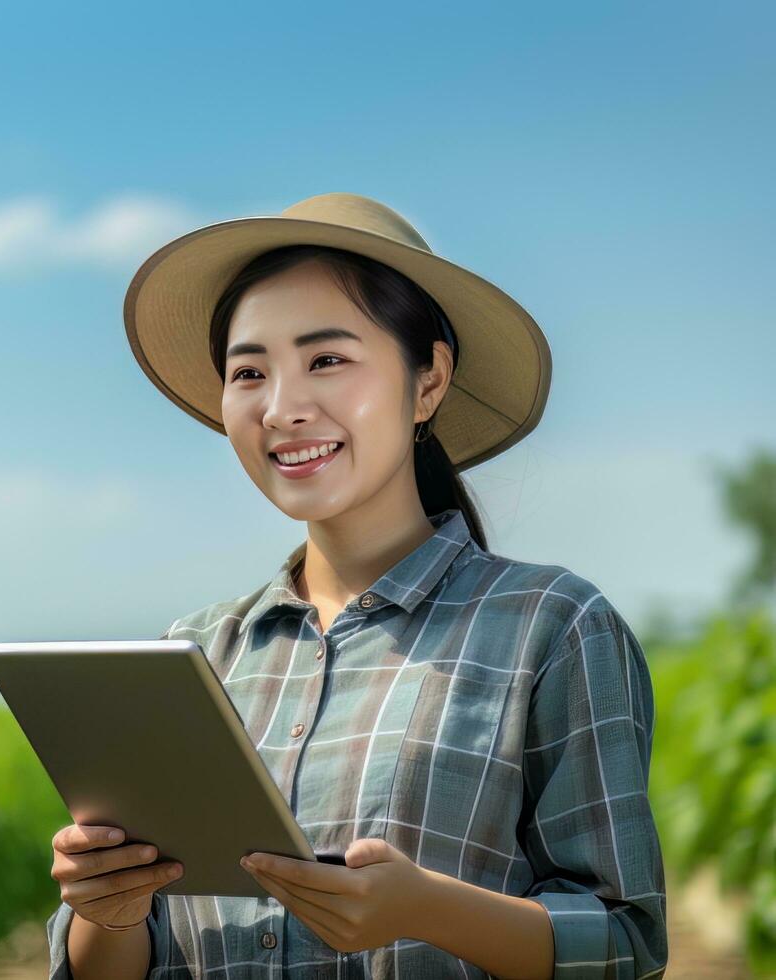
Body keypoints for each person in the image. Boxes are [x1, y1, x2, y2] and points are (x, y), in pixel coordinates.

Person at [44, 193, 668, 979]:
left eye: (327, 360)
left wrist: (425, 910)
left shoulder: (552, 626)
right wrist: (109, 911)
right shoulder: (194, 654)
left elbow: (627, 948)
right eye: (248, 372)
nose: (282, 408)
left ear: (429, 380)